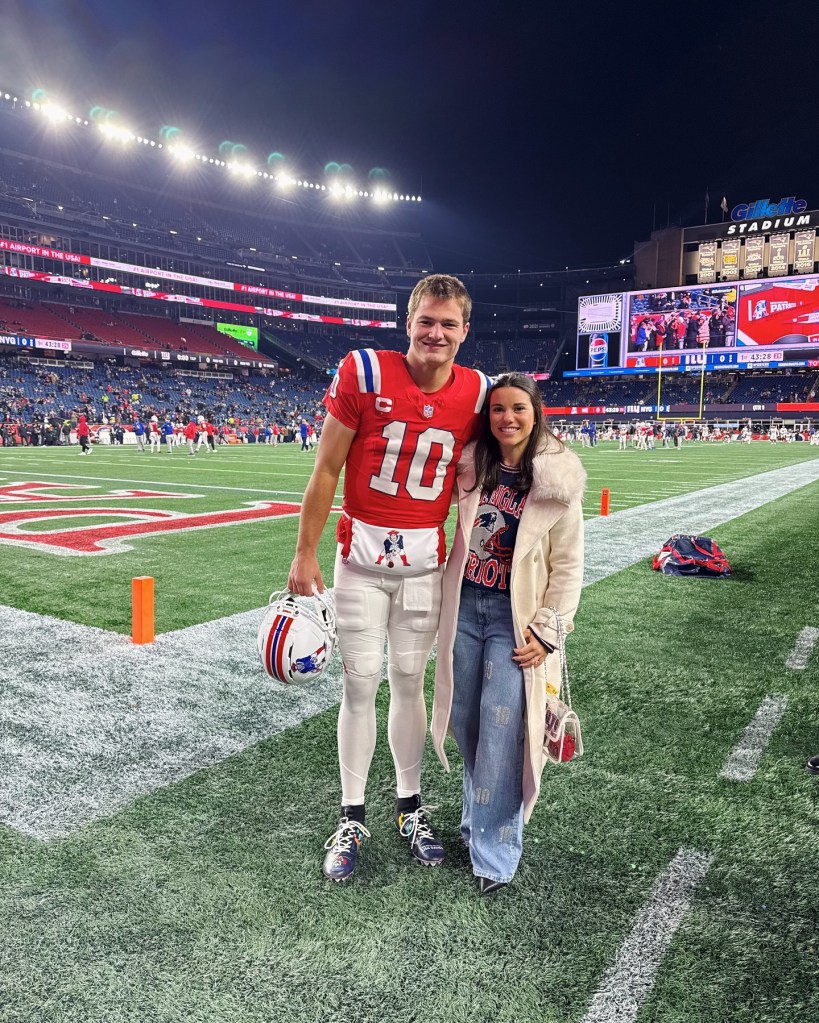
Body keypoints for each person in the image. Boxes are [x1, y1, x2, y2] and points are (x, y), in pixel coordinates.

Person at [287, 274, 491, 883]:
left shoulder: (478, 392)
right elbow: (326, 469)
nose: (436, 333)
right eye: (426, 321)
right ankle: (352, 815)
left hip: (425, 567)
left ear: (464, 330)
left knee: (408, 680)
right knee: (360, 682)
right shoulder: (366, 373)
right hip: (360, 564)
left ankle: (409, 806)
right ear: (409, 322)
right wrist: (305, 553)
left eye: (448, 324)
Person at [431, 373, 586, 895]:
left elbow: (568, 565)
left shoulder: (557, 479)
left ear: (535, 411)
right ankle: (478, 820)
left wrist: (548, 629)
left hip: (513, 619)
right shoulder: (472, 465)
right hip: (464, 607)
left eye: (518, 408)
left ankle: (495, 854)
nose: (507, 418)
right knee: (466, 721)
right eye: (497, 409)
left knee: (501, 733)